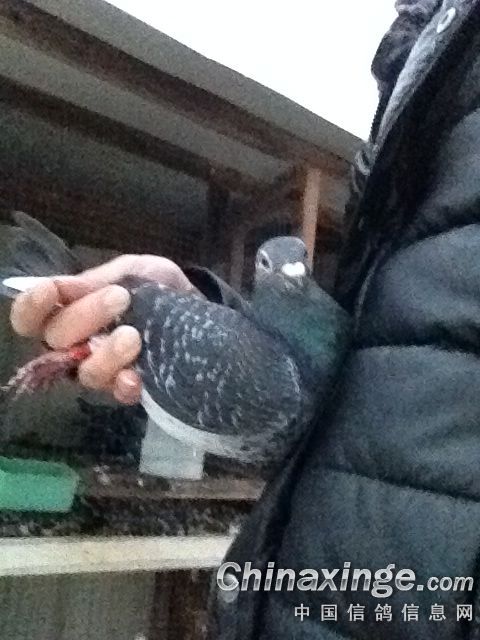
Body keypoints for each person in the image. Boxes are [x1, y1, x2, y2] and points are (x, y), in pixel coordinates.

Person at [10, 1, 480, 637]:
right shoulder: (434, 43)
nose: (293, 277)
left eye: (298, 270)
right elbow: (374, 357)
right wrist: (216, 324)